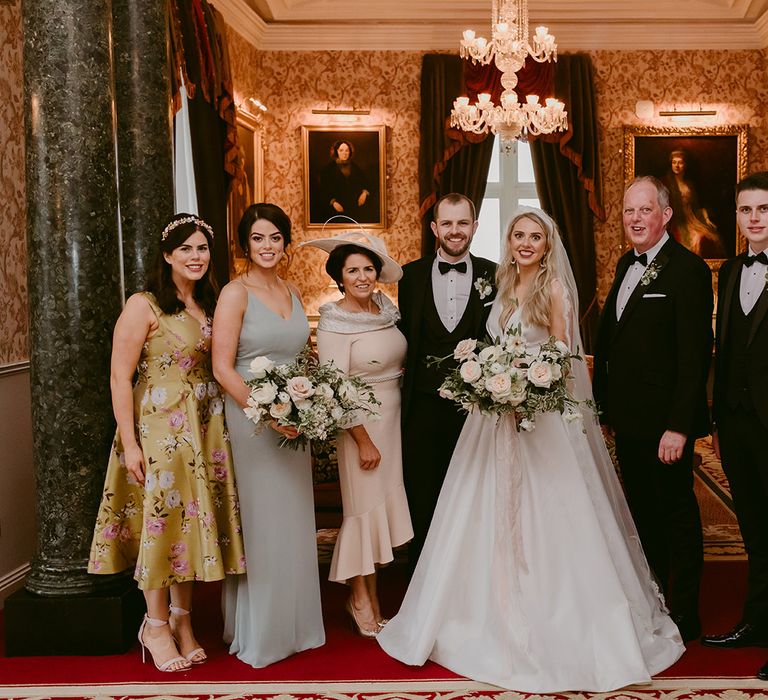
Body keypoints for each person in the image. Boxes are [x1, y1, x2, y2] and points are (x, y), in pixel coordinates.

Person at [377, 207, 685, 693]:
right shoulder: (498, 287)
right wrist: (487, 379)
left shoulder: (554, 289)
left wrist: (526, 391)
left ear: (547, 244)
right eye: (518, 235)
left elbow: (564, 358)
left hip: (540, 424)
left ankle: (559, 615)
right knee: (477, 512)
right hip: (492, 421)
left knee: (555, 517)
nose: (525, 243)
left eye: (534, 236)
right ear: (508, 241)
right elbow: (487, 345)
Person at [88, 214, 246, 672]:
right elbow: (120, 377)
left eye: (202, 249)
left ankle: (182, 620)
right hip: (157, 429)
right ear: (167, 256)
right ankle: (154, 626)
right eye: (186, 250)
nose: (196, 257)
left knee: (188, 523)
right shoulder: (144, 305)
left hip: (202, 428)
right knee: (160, 524)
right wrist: (130, 444)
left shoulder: (208, 304)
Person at [593, 176, 714, 641]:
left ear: (666, 214)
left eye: (645, 210)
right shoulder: (626, 264)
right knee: (641, 512)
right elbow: (616, 344)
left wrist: (679, 426)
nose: (635, 219)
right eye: (629, 211)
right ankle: (655, 597)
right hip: (629, 420)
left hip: (666, 425)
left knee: (676, 514)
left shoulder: (687, 271)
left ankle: (685, 612)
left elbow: (694, 355)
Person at [212, 203, 325, 667]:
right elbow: (222, 367)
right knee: (261, 522)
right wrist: (267, 412)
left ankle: (294, 626)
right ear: (245, 244)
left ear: (285, 243)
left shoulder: (292, 290)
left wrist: (311, 403)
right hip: (252, 421)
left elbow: (301, 358)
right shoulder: (235, 293)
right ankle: (259, 631)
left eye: (275, 237)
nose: (267, 246)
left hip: (293, 420)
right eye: (258, 238)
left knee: (293, 517)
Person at [302, 231, 413, 638]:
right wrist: (362, 439)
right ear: (340, 276)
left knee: (382, 511)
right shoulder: (333, 320)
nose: (363, 277)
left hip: (393, 421)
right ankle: (361, 600)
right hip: (360, 429)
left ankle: (369, 594)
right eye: (353, 270)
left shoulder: (386, 309)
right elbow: (334, 386)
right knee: (362, 514)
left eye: (368, 268)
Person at [398, 193, 496, 571]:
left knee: (475, 495)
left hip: (477, 408)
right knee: (422, 497)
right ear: (434, 228)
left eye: (463, 223)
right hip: (421, 408)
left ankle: (472, 578)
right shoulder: (409, 277)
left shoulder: (495, 273)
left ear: (474, 226)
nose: (455, 231)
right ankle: (422, 582)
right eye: (448, 224)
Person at [701, 172, 768, 680]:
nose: (753, 219)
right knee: (755, 530)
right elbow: (725, 353)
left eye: (763, 209)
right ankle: (757, 621)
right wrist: (718, 420)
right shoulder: (728, 272)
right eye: (746, 210)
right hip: (739, 424)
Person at [664, 149, 726, 258]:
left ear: (685, 165)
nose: (677, 166)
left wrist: (705, 217)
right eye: (674, 162)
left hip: (692, 219)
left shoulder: (689, 184)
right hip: (677, 221)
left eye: (680, 162)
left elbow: (695, 207)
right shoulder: (667, 183)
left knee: (712, 236)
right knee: (695, 240)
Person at [318, 140, 374, 223]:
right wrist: (333, 203)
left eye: (347, 150)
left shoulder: (356, 167)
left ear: (350, 152)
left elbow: (365, 183)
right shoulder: (328, 170)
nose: (344, 153)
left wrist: (364, 193)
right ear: (336, 152)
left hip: (355, 208)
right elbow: (323, 191)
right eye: (341, 150)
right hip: (335, 210)